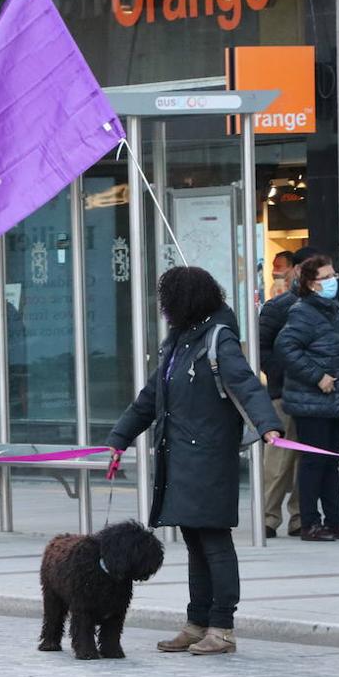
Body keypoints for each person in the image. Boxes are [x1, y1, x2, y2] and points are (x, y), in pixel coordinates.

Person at [105, 267, 281, 656]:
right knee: (195, 543)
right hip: (180, 458)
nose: (164, 308)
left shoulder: (219, 339)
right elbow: (150, 398)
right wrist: (119, 438)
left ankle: (222, 627)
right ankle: (196, 622)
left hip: (209, 458)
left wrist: (269, 426)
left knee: (214, 542)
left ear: (186, 300)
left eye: (168, 300)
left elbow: (247, 385)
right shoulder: (179, 343)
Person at [275, 254, 339, 542]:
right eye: (326, 278)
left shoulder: (334, 310)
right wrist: (317, 376)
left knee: (331, 461)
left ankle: (335, 520)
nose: (333, 282)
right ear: (310, 283)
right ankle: (309, 522)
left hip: (336, 402)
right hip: (312, 403)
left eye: (334, 276)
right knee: (313, 463)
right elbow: (286, 348)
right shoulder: (302, 312)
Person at [257, 246, 319, 539]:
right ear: (295, 270)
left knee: (304, 462)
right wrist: (280, 373)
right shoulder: (277, 307)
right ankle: (268, 516)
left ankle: (299, 517)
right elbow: (262, 348)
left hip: (315, 396)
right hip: (283, 393)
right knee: (278, 461)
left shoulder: (325, 306)